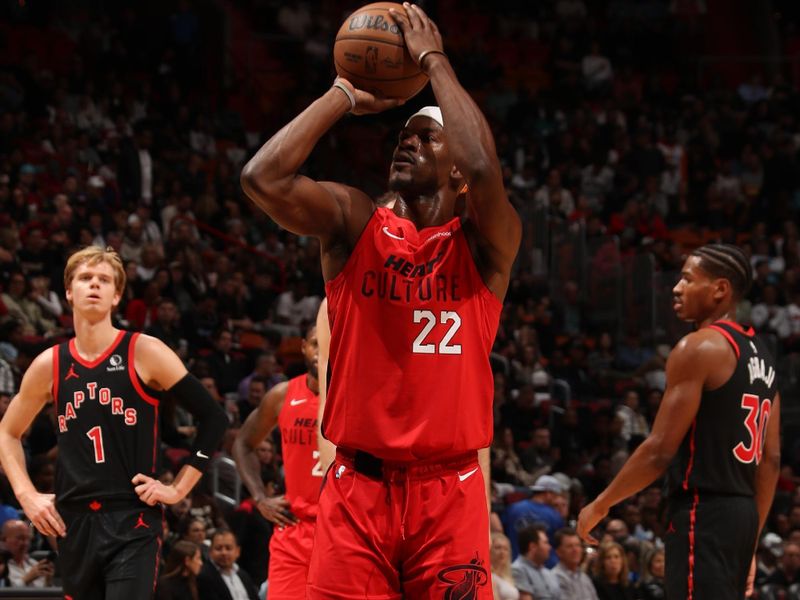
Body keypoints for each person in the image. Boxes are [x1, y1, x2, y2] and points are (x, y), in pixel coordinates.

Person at [240, 3, 520, 598]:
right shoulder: (353, 221)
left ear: (457, 175)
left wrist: (433, 61)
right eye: (403, 135)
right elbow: (261, 179)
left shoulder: (485, 248)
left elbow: (483, 166)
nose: (407, 143)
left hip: (449, 492)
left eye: (426, 138)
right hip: (356, 487)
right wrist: (342, 94)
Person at [0, 246, 228, 599]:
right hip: (73, 522)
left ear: (117, 295)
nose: (94, 285)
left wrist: (180, 487)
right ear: (68, 291)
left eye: (104, 280)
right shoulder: (50, 364)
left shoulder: (144, 351)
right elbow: (7, 431)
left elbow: (214, 417)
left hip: (132, 519)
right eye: (85, 278)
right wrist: (26, 494)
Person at [578, 244, 781, 600]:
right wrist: (751, 541)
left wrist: (602, 503)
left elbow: (658, 450)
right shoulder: (764, 358)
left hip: (703, 513)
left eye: (688, 279)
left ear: (720, 289)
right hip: (744, 515)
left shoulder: (699, 347)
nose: (676, 288)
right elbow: (771, 461)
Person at [232, 325, 322, 598]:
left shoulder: (358, 395)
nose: (321, 350)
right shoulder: (283, 395)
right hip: (294, 528)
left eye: (329, 342)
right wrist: (259, 496)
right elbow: (243, 443)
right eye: (316, 343)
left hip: (342, 530)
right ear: (304, 346)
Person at [198, 529, 259, 600]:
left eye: (228, 548)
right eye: (218, 548)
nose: (224, 553)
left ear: (237, 551)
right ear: (210, 551)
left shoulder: (243, 575)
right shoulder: (204, 577)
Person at [511, 525, 562, 600]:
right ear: (533, 547)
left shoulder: (549, 573)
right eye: (546, 543)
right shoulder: (517, 570)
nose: (550, 547)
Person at [2, 519, 53, 587]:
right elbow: (5, 594)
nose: (25, 543)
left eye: (27, 538)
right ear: (4, 540)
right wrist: (27, 579)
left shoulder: (34, 564)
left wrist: (48, 581)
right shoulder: (2, 567)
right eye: (20, 538)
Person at [552, 528, 599, 600]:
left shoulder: (584, 577)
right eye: (569, 546)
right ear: (559, 552)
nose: (575, 550)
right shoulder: (555, 577)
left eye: (577, 545)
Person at [490, 531, 520, 600]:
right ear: (489, 550)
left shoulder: (508, 576)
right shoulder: (489, 576)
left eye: (505, 549)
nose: (502, 552)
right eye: (498, 548)